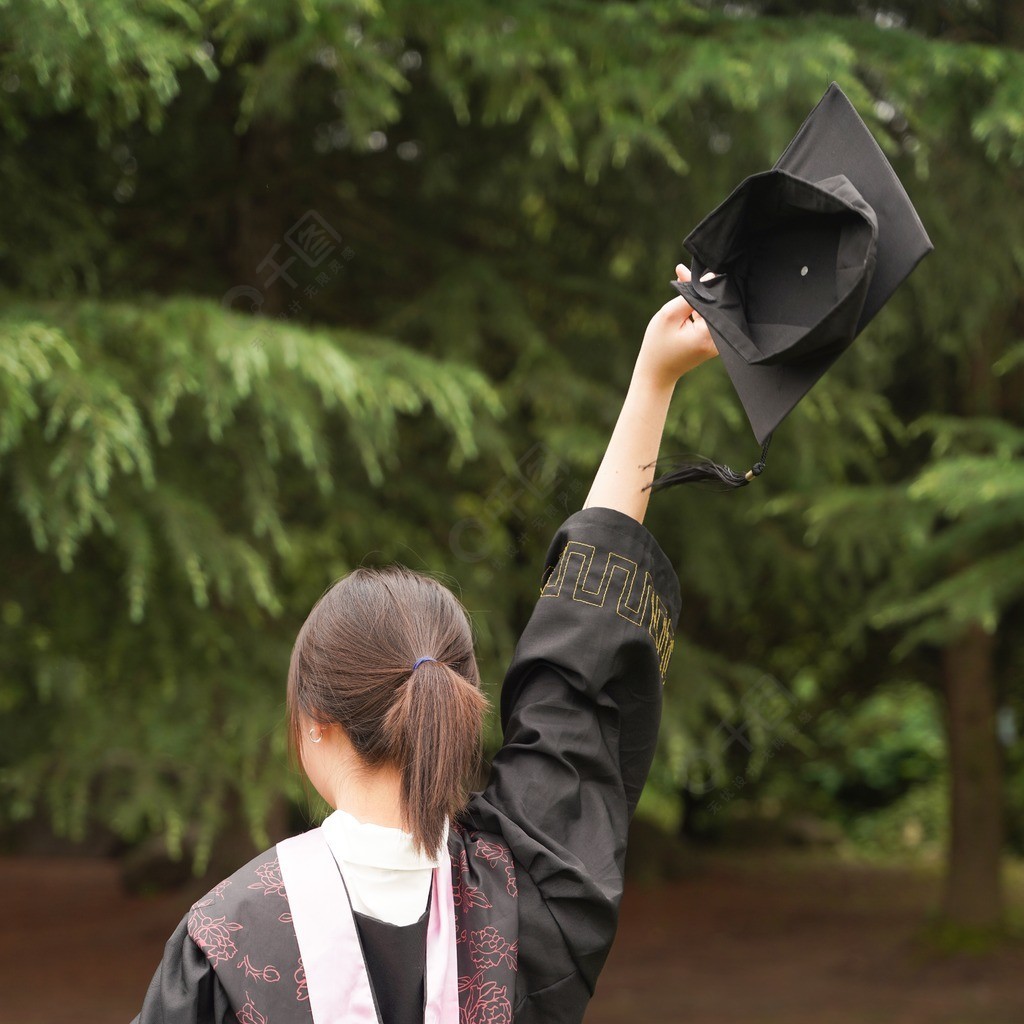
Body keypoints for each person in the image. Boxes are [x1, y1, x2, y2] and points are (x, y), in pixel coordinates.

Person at [132, 264, 717, 1024]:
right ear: (455, 701)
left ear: (316, 720)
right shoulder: (528, 900)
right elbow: (580, 662)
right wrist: (654, 379)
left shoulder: (226, 942)